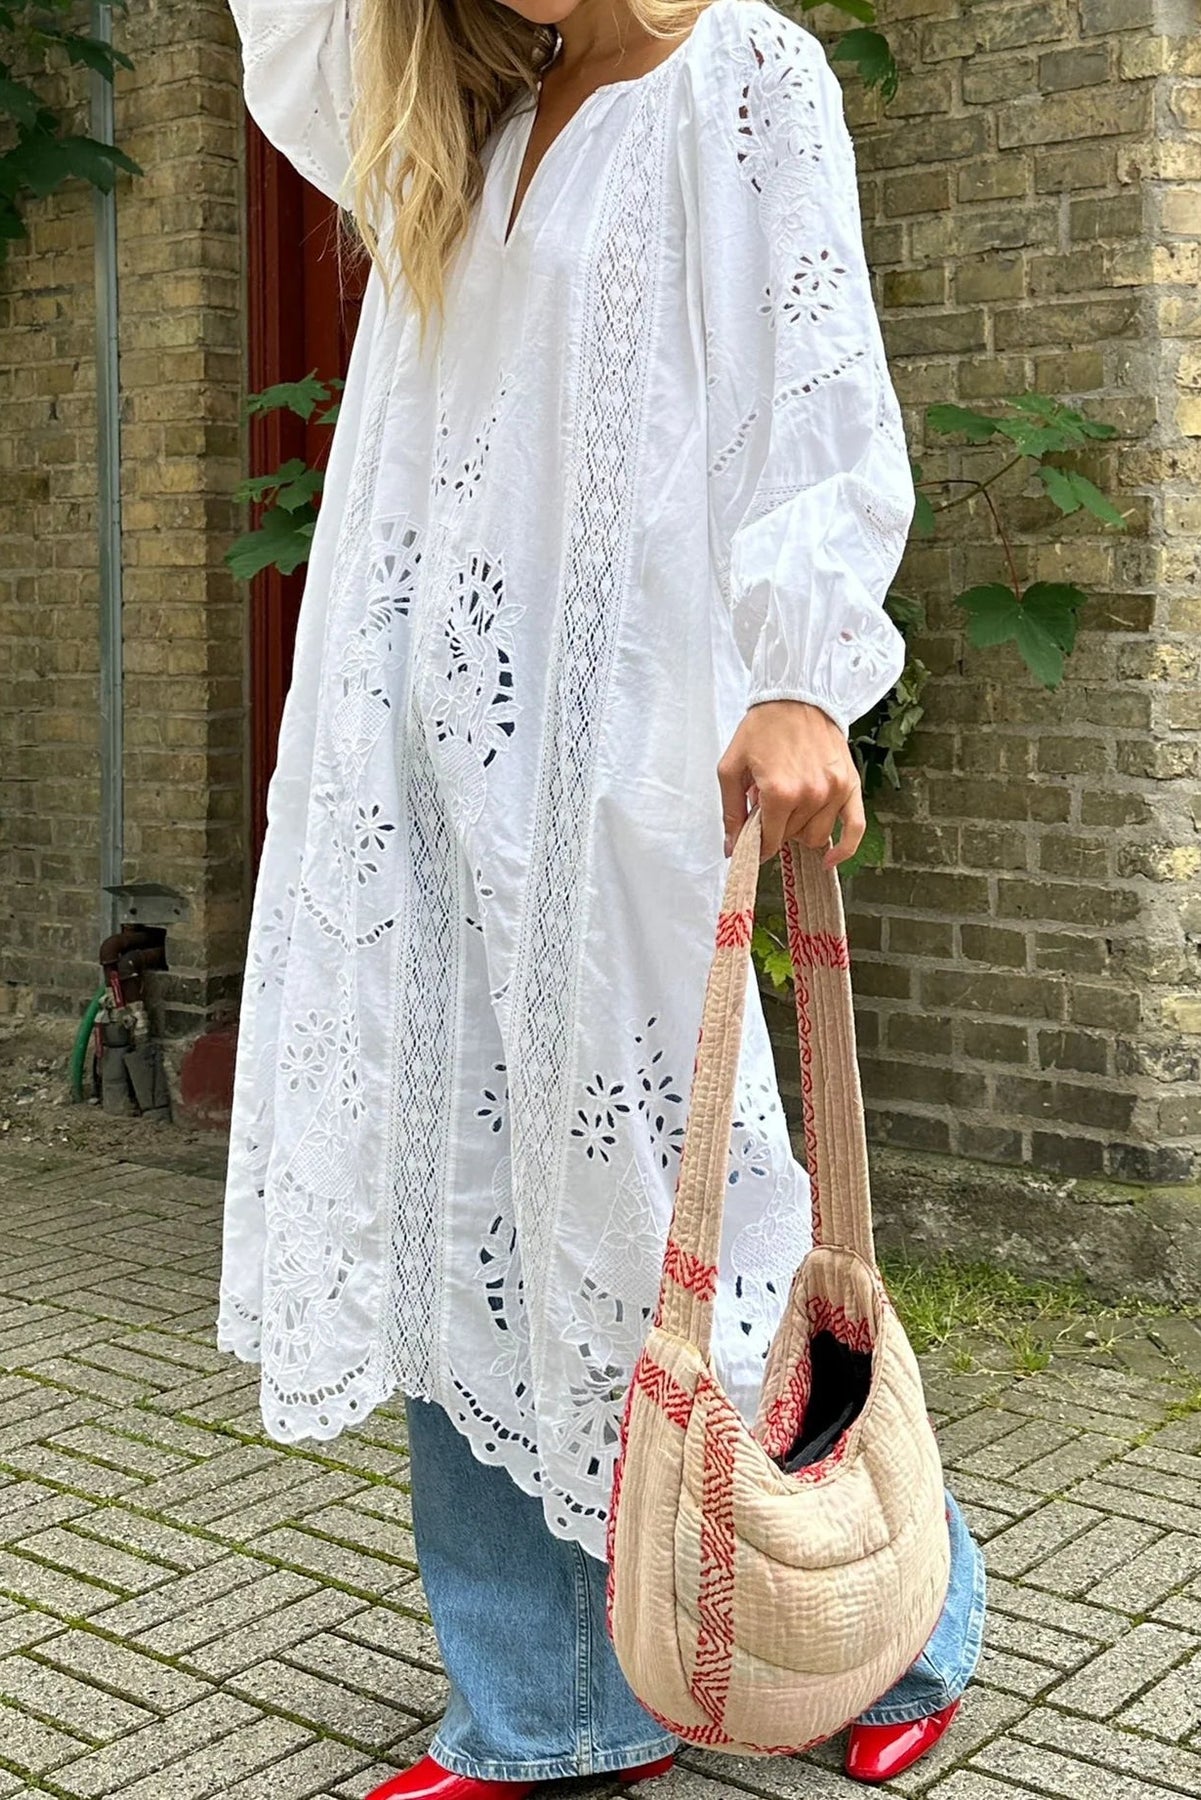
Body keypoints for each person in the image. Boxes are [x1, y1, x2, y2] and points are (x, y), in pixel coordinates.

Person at [218, 0, 986, 1792]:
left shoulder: (741, 73)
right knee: (465, 1210)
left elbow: (816, 387)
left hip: (623, 783)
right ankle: (553, 1709)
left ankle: (899, 1627)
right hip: (431, 795)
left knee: (681, 1219)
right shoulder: (467, 126)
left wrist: (800, 674)